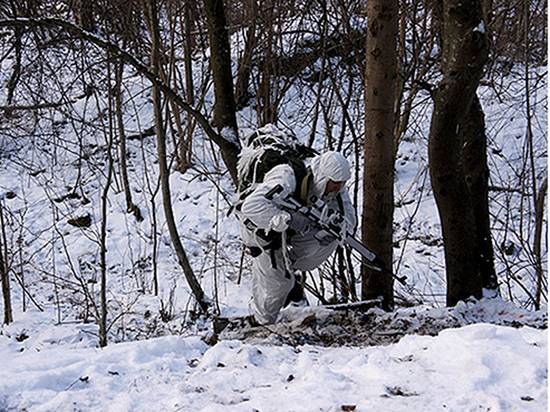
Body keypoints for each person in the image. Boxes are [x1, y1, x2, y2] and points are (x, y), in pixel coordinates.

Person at [237, 149, 356, 325]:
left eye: (342, 183)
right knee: (278, 285)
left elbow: (349, 221)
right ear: (324, 177)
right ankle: (262, 325)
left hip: (292, 232)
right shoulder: (286, 176)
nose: (338, 188)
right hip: (261, 229)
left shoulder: (336, 189)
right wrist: (286, 219)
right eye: (335, 183)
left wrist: (333, 227)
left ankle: (289, 271)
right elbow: (251, 206)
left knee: (328, 240)